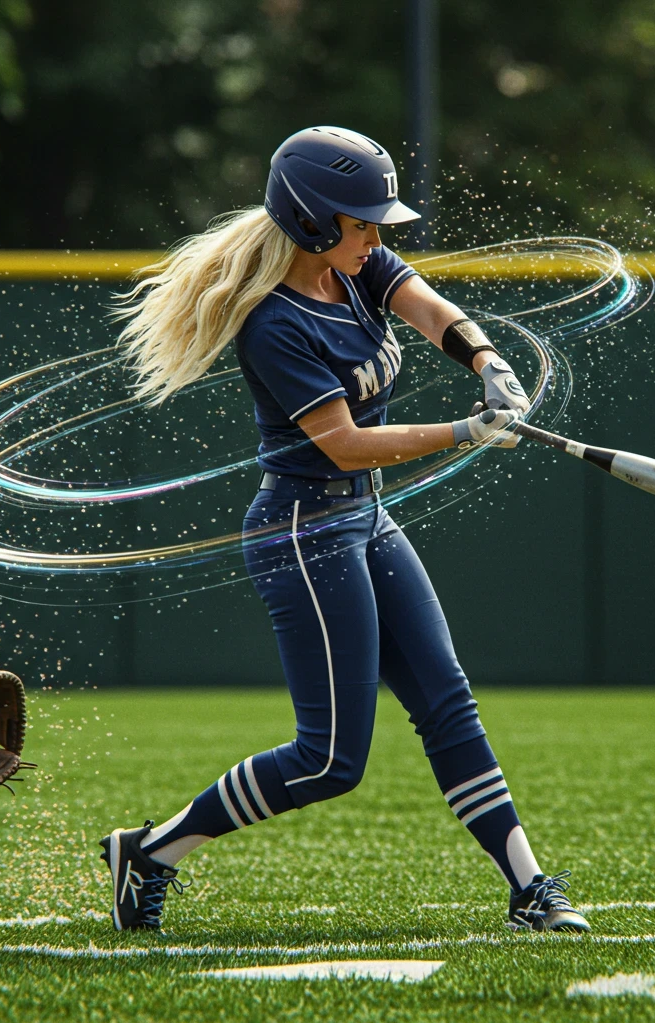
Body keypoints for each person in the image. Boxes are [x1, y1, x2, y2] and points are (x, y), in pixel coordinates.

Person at [99, 126, 590, 936]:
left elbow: (427, 306)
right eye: (364, 223)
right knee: (330, 761)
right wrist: (464, 431)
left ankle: (530, 889)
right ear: (315, 222)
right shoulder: (275, 324)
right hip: (303, 530)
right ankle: (150, 851)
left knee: (447, 699)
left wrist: (483, 359)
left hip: (366, 517)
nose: (378, 236)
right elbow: (344, 444)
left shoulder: (356, 271)